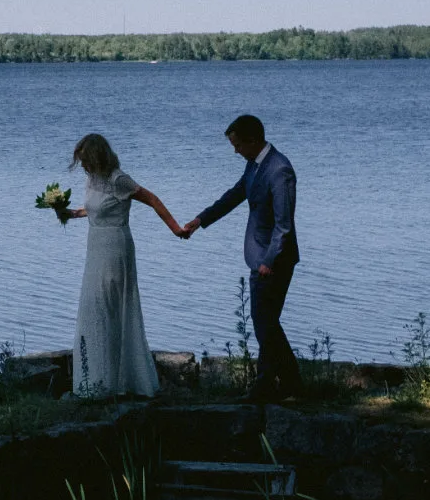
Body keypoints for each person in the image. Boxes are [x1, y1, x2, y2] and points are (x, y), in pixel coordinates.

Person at [174, 114, 300, 400]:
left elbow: (284, 224)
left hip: (275, 260)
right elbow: (233, 196)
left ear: (253, 140)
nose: (235, 151)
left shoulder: (279, 170)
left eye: (237, 145)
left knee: (264, 323)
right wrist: (200, 220)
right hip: (259, 258)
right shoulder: (254, 166)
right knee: (265, 323)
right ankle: (285, 384)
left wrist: (269, 260)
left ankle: (271, 385)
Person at [62, 133, 184, 397]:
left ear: (97, 157)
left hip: (116, 247)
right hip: (95, 248)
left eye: (85, 160)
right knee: (93, 306)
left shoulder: (119, 179)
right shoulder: (92, 179)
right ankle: (95, 380)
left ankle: (122, 380)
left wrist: (175, 228)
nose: (82, 165)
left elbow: (153, 199)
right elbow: (93, 209)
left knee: (112, 305)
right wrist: (69, 213)